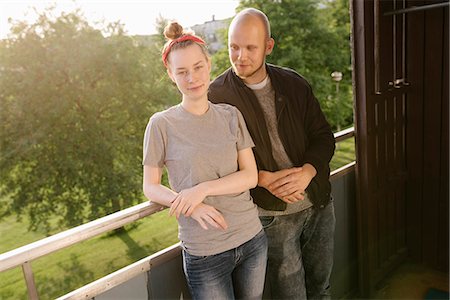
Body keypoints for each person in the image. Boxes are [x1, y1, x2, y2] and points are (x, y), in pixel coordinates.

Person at [208, 8, 336, 300]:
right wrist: (262, 178)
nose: (241, 56)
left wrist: (307, 171)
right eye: (234, 47)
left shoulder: (294, 84)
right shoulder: (217, 97)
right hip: (271, 215)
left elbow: (323, 137)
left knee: (321, 289)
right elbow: (216, 165)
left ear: (268, 46)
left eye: (251, 48)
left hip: (318, 205)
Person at [142, 21, 268, 300]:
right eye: (182, 72)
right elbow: (150, 187)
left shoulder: (230, 115)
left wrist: (202, 190)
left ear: (209, 63)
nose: (192, 78)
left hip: (251, 238)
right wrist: (191, 207)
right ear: (171, 75)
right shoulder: (161, 124)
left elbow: (250, 176)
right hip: (204, 251)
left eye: (198, 67)